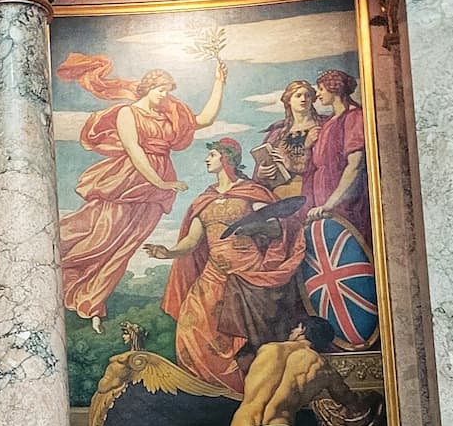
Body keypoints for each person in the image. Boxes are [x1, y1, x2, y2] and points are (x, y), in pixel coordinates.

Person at [55, 44, 228, 327]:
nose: (166, 96)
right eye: (162, 90)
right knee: (101, 237)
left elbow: (204, 119)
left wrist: (219, 82)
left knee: (126, 245)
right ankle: (60, 270)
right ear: (149, 88)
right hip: (129, 181)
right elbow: (134, 151)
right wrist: (161, 181)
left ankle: (92, 300)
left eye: (168, 90)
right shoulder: (127, 113)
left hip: (155, 191)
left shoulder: (167, 117)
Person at [146, 139, 305, 394]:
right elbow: (191, 241)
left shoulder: (251, 192)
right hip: (212, 276)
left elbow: (276, 227)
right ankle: (208, 391)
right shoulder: (204, 200)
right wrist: (168, 252)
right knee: (191, 327)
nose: (207, 159)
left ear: (227, 158)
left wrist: (253, 226)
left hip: (246, 275)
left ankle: (245, 392)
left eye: (212, 154)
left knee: (244, 339)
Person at [223, 317, 365, 426]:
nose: (291, 331)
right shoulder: (323, 369)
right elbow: (348, 400)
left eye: (294, 328)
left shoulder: (268, 349)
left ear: (302, 329)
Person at [303, 69, 370, 244]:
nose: (317, 94)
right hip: (322, 201)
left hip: (344, 203)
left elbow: (355, 165)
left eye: (321, 89)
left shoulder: (354, 117)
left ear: (334, 89)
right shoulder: (327, 123)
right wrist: (308, 145)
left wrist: (330, 203)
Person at [250, 80, 319, 196]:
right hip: (279, 192)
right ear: (288, 101)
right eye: (298, 96)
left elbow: (328, 166)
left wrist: (290, 165)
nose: (303, 99)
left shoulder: (321, 127)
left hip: (311, 189)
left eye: (307, 96)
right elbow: (261, 170)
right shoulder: (277, 134)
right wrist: (261, 174)